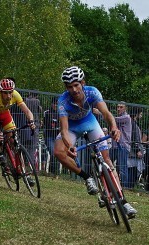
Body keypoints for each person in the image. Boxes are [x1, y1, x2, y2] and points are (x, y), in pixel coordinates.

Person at [53, 66, 137, 218]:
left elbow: (106, 113)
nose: (74, 90)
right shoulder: (63, 101)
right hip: (72, 127)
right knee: (58, 152)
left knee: (106, 159)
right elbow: (64, 130)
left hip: (89, 122)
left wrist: (114, 127)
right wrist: (69, 146)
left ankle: (124, 202)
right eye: (70, 87)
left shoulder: (92, 92)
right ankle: (87, 177)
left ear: (83, 83)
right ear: (66, 88)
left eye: (76, 85)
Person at [0, 78, 36, 185]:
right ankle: (1, 155)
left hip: (4, 114)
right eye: (6, 93)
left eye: (10, 92)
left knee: (13, 141)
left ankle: (23, 171)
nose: (8, 96)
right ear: (0, 91)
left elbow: (27, 111)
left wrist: (31, 121)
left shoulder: (15, 94)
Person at [110, 102, 132, 189]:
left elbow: (114, 120)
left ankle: (124, 187)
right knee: (108, 163)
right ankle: (110, 183)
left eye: (121, 107)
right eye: (118, 107)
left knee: (122, 167)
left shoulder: (126, 117)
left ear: (125, 108)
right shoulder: (119, 118)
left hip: (123, 145)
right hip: (115, 145)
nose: (118, 109)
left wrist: (101, 113)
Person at [127, 107, 144, 189]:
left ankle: (129, 186)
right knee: (132, 169)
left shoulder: (133, 122)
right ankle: (129, 187)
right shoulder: (132, 123)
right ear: (137, 114)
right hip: (132, 152)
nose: (141, 116)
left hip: (132, 150)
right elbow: (133, 138)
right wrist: (137, 150)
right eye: (140, 114)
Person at [43, 97, 60, 176]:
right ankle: (53, 172)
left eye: (57, 104)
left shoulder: (60, 113)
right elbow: (46, 125)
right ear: (52, 104)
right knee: (52, 152)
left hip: (57, 137)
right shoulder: (47, 112)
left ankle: (54, 172)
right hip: (49, 136)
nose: (56, 106)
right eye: (54, 104)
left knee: (57, 153)